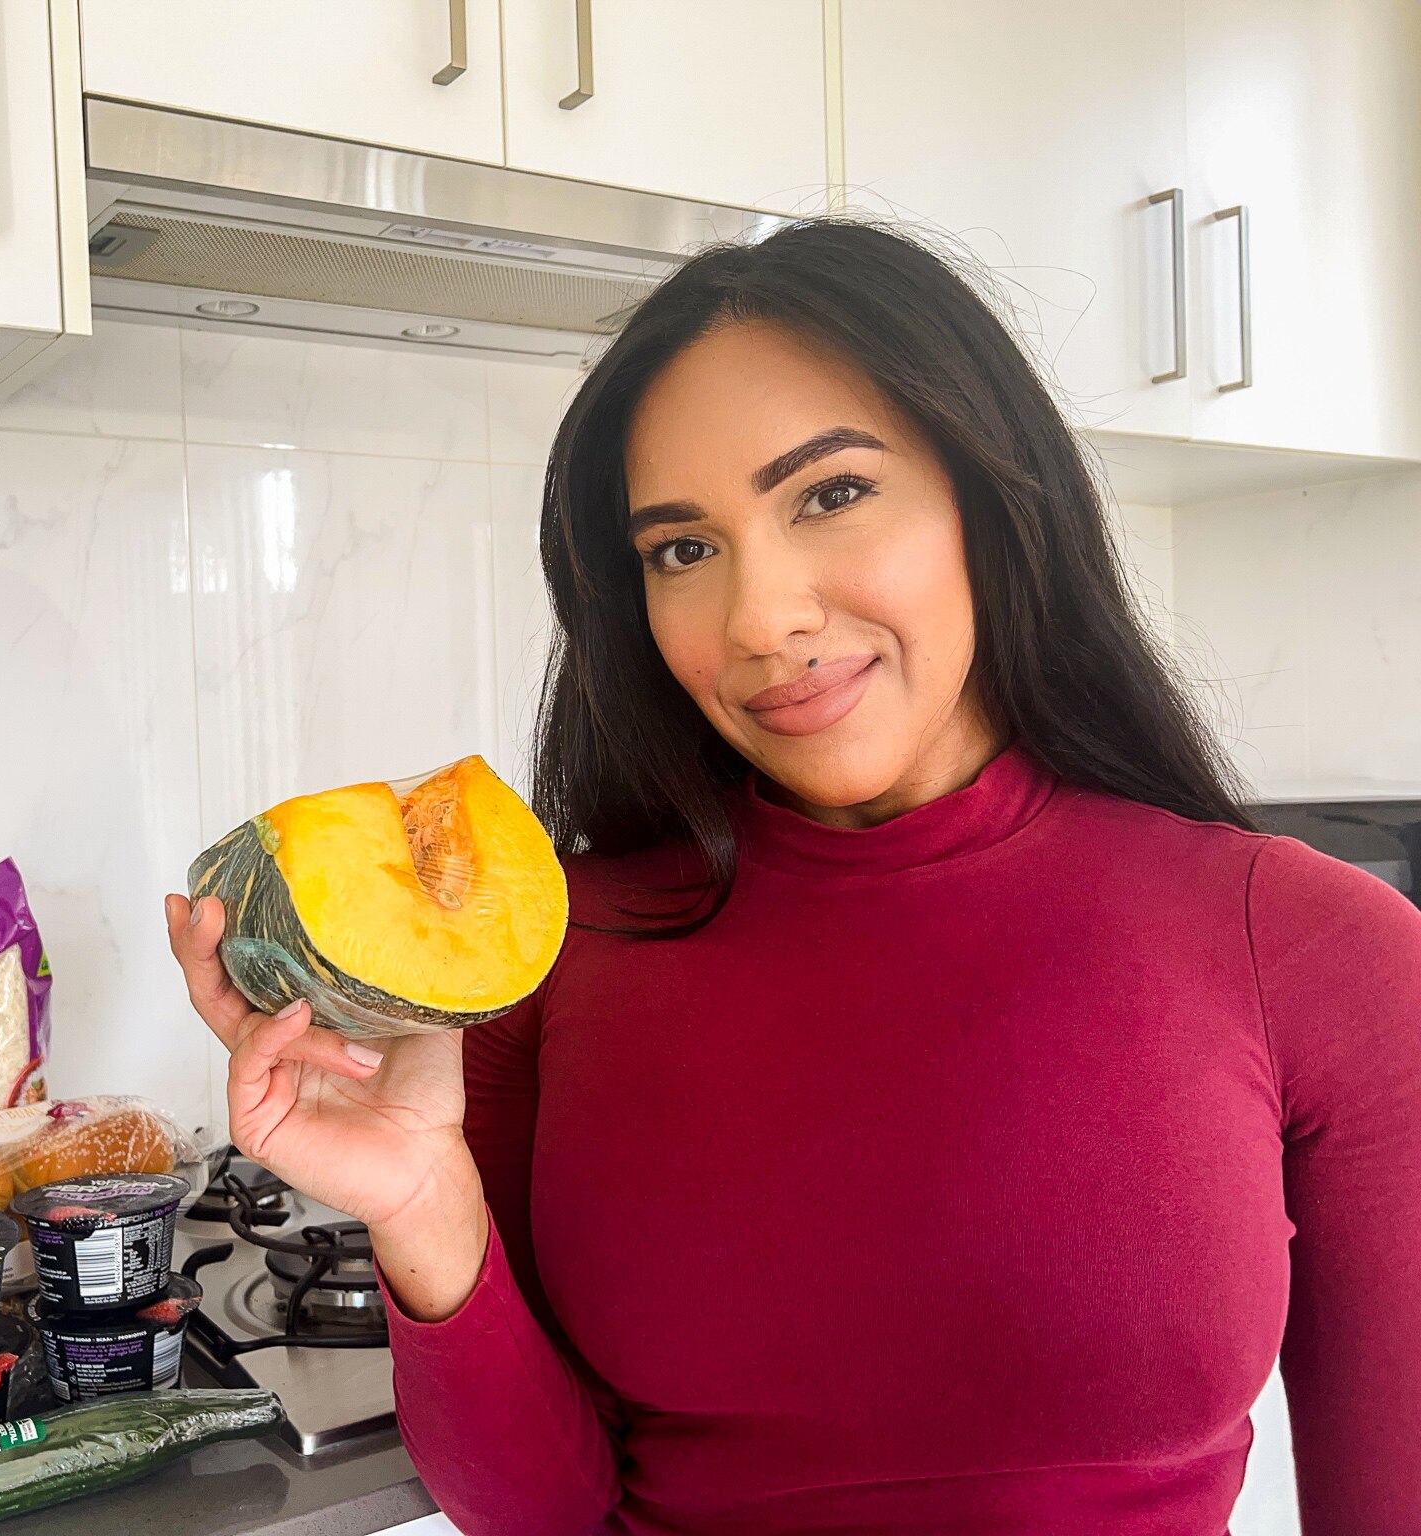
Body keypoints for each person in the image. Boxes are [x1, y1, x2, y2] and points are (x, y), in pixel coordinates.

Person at [165, 221, 1421, 1535]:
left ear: (991, 498)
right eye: (683, 550)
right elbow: (546, 1514)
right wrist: (426, 1202)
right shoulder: (556, 952)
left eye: (829, 495)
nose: (762, 620)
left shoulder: (1314, 949)